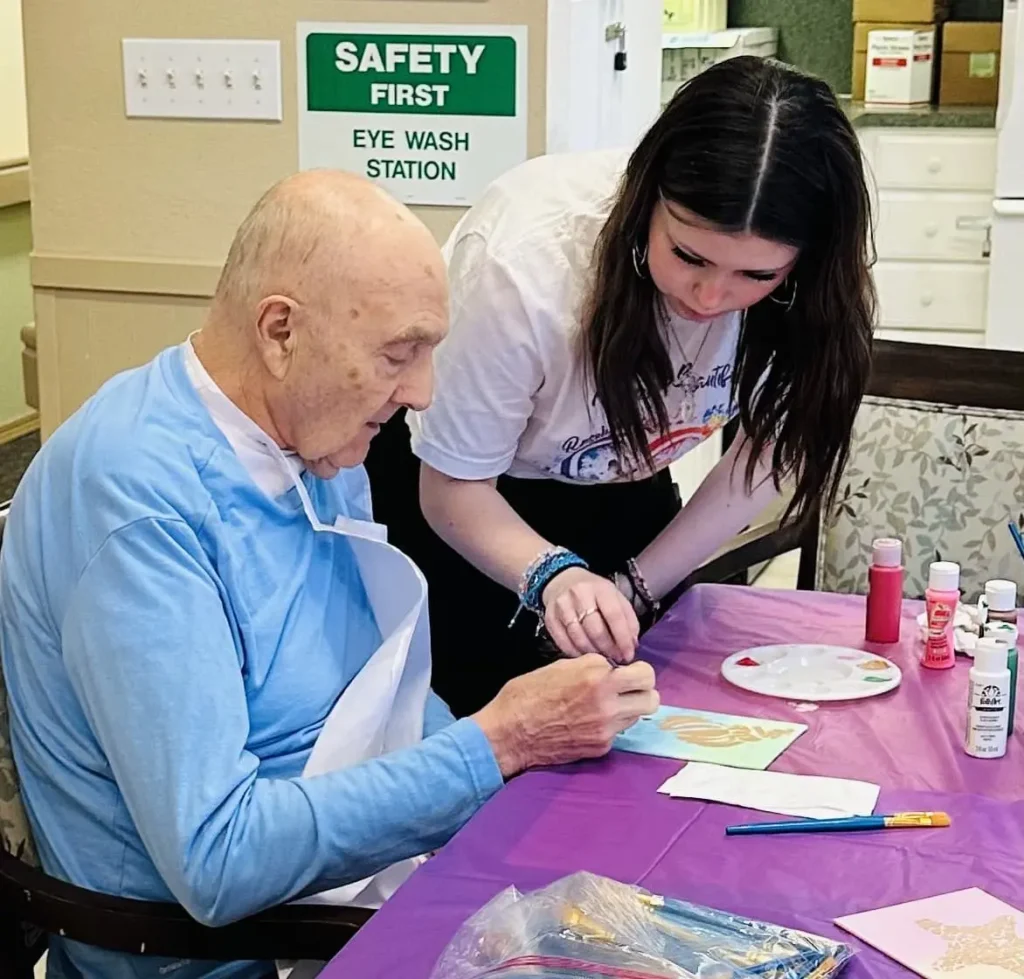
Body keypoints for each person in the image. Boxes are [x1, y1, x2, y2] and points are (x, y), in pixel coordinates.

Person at [0, 171, 659, 979]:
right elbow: (219, 859)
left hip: (348, 892)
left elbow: (383, 694)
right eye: (398, 353)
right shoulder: (136, 498)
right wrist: (499, 743)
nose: (420, 391)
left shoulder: (311, 433)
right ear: (280, 331)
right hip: (218, 950)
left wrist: (523, 757)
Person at [365, 56, 876, 718]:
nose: (711, 296)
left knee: (630, 735)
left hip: (625, 491)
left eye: (756, 277)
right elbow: (451, 488)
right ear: (646, 200)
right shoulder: (524, 265)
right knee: (481, 754)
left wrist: (639, 583)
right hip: (468, 504)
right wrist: (550, 574)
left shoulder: (817, 284)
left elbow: (775, 451)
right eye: (688, 255)